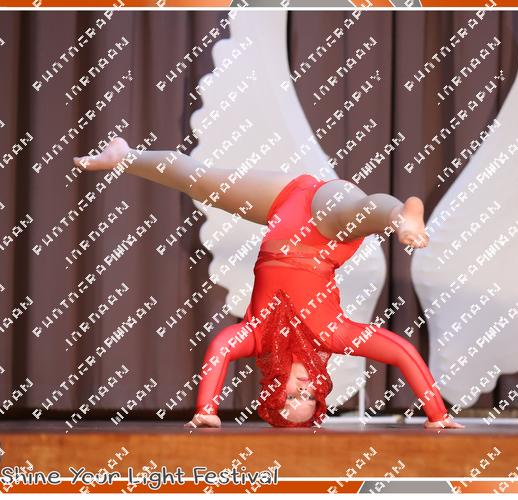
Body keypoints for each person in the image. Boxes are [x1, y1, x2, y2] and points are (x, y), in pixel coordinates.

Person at [73, 138, 464, 431]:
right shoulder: (333, 335)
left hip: (284, 204)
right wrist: (437, 413)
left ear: (275, 387)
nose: (304, 387)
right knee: (355, 211)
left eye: (293, 395)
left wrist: (206, 409)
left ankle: (124, 156)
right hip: (326, 232)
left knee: (200, 182)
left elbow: (220, 348)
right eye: (310, 395)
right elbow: (400, 351)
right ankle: (400, 215)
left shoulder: (257, 337)